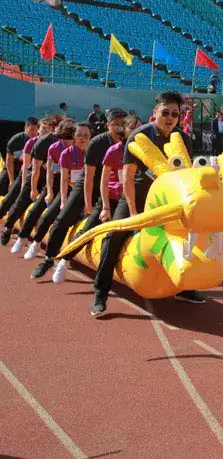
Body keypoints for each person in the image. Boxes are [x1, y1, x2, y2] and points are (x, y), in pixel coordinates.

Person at [91, 92, 199, 317]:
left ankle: (185, 288)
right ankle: (100, 293)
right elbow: (128, 178)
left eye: (175, 114)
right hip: (137, 196)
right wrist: (133, 213)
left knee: (188, 237)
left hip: (166, 201)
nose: (170, 118)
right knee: (114, 237)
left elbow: (185, 175)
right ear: (155, 113)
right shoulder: (139, 136)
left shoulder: (183, 139)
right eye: (165, 113)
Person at [32, 110, 126, 279]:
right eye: (116, 124)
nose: (120, 128)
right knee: (62, 219)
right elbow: (89, 177)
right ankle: (48, 259)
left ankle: (67, 258)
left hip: (109, 188)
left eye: (123, 124)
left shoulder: (129, 142)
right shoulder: (97, 143)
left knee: (92, 225)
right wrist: (87, 204)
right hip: (87, 184)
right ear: (108, 125)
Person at [52, 116, 140, 283]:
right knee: (89, 227)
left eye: (139, 127)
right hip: (112, 198)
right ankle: (65, 259)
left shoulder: (142, 150)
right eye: (132, 127)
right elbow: (103, 181)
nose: (137, 130)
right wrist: (104, 206)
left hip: (131, 199)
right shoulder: (113, 150)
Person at [10, 119, 74, 254]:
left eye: (72, 129)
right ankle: (21, 237)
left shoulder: (80, 146)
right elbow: (45, 171)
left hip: (72, 186)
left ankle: (46, 249)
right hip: (54, 182)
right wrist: (47, 191)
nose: (70, 133)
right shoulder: (52, 146)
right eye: (67, 129)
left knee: (53, 215)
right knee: (36, 208)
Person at [0, 117, 55, 244]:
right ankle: (8, 228)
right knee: (16, 199)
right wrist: (24, 184)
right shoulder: (30, 143)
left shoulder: (54, 144)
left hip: (46, 178)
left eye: (49, 129)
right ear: (38, 130)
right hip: (28, 175)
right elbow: (25, 166)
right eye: (43, 128)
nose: (46, 131)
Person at [1, 117, 38, 198]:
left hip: (31, 171)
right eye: (32, 129)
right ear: (25, 128)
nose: (35, 132)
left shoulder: (41, 141)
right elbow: (9, 162)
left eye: (37, 130)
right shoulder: (15, 140)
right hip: (14, 168)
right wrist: (11, 181)